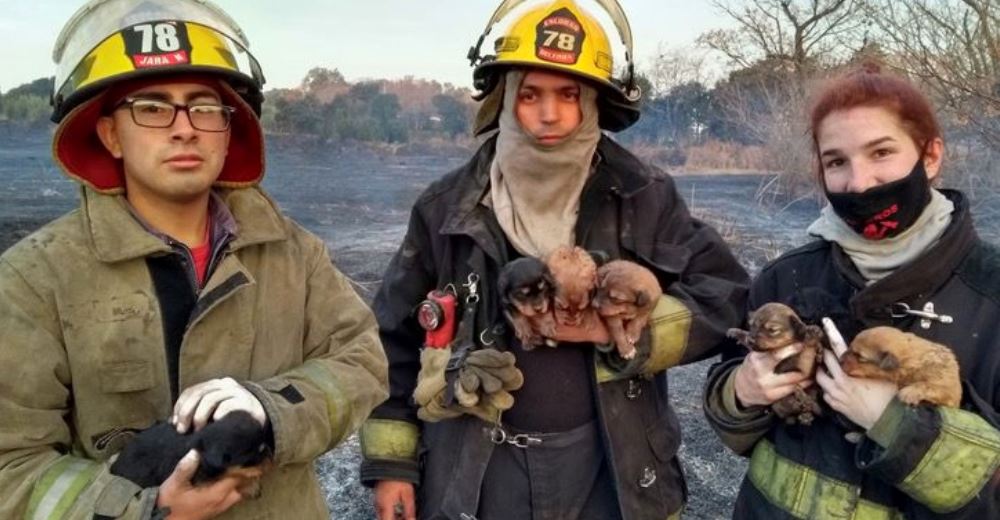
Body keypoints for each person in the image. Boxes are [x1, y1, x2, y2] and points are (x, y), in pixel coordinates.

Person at [358, 1, 748, 518]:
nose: (550, 114)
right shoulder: (446, 207)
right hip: (479, 469)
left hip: (609, 471)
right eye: (531, 94)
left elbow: (727, 295)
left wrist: (623, 331)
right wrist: (392, 466)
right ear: (503, 99)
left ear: (593, 101)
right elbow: (391, 336)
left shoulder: (644, 195)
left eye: (568, 94)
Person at [0, 1, 388, 518]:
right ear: (110, 134)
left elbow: (362, 360)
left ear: (229, 131)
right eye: (153, 106)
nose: (185, 128)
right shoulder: (33, 279)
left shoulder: (295, 254)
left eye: (204, 107)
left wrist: (269, 410)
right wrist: (142, 507)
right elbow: (12, 465)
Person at [704, 63, 1000, 518]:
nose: (859, 183)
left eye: (881, 152)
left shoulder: (990, 294)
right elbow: (730, 421)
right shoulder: (787, 278)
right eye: (837, 162)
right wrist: (742, 391)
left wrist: (900, 427)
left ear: (931, 156)